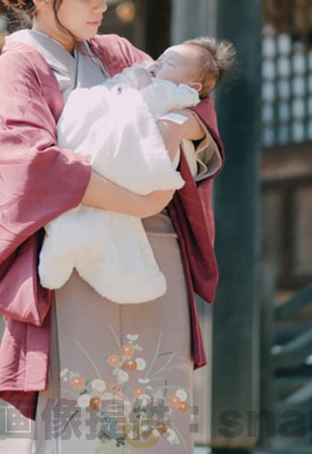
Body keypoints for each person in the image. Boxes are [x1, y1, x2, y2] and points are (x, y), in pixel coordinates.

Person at [0, 0, 231, 453]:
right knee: (89, 418)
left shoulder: (117, 55)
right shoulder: (19, 68)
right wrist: (138, 199)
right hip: (79, 259)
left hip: (156, 252)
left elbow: (194, 107)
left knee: (159, 414)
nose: (101, 5)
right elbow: (29, 165)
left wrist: (176, 127)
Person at [38, 41, 234, 305]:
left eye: (170, 64)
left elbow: (168, 109)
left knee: (99, 218)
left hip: (131, 164)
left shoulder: (169, 89)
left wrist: (142, 87)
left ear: (193, 87)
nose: (158, 64)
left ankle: (74, 246)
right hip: (91, 166)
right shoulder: (30, 54)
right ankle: (66, 241)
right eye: (162, 58)